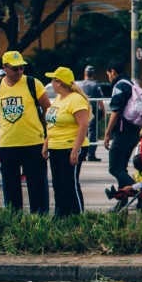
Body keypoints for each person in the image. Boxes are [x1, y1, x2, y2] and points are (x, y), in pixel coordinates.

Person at [0, 50, 51, 214]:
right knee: (10, 185)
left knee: (37, 184)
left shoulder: (32, 83)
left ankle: (39, 218)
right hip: (8, 144)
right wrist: (3, 130)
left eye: (21, 68)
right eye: (15, 68)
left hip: (33, 142)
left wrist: (46, 133)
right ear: (4, 68)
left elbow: (47, 109)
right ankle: (14, 218)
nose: (19, 71)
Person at [43, 67, 90, 217]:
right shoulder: (58, 99)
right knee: (58, 183)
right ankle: (61, 214)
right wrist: (46, 144)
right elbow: (53, 124)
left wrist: (75, 150)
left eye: (53, 79)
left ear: (59, 82)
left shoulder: (75, 99)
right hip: (56, 147)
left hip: (70, 146)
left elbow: (83, 125)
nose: (51, 82)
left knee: (70, 183)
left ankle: (77, 216)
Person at [102, 61, 141, 201]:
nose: (109, 77)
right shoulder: (131, 83)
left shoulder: (120, 85)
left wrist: (107, 133)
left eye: (108, 74)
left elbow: (116, 111)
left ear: (112, 71)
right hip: (133, 132)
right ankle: (122, 201)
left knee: (114, 168)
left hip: (123, 133)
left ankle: (140, 191)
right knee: (121, 168)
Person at [76, 65, 105, 161]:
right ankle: (91, 154)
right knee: (93, 132)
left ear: (84, 74)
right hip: (92, 111)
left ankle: (82, 154)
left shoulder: (78, 85)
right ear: (94, 75)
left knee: (81, 131)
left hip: (80, 110)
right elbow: (100, 101)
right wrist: (104, 111)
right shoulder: (95, 85)